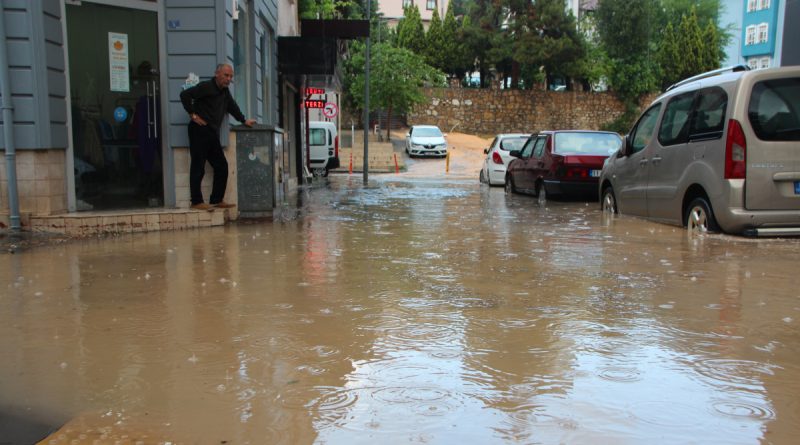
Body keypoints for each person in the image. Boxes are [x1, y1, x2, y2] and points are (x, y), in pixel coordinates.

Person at [180, 63, 256, 211]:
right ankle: (196, 201)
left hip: (211, 132)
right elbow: (184, 95)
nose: (228, 79)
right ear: (217, 74)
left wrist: (244, 120)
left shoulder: (224, 92)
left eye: (231, 76)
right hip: (199, 130)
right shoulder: (206, 87)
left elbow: (232, 106)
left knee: (222, 166)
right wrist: (193, 115)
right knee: (198, 166)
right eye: (226, 75)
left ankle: (216, 199)